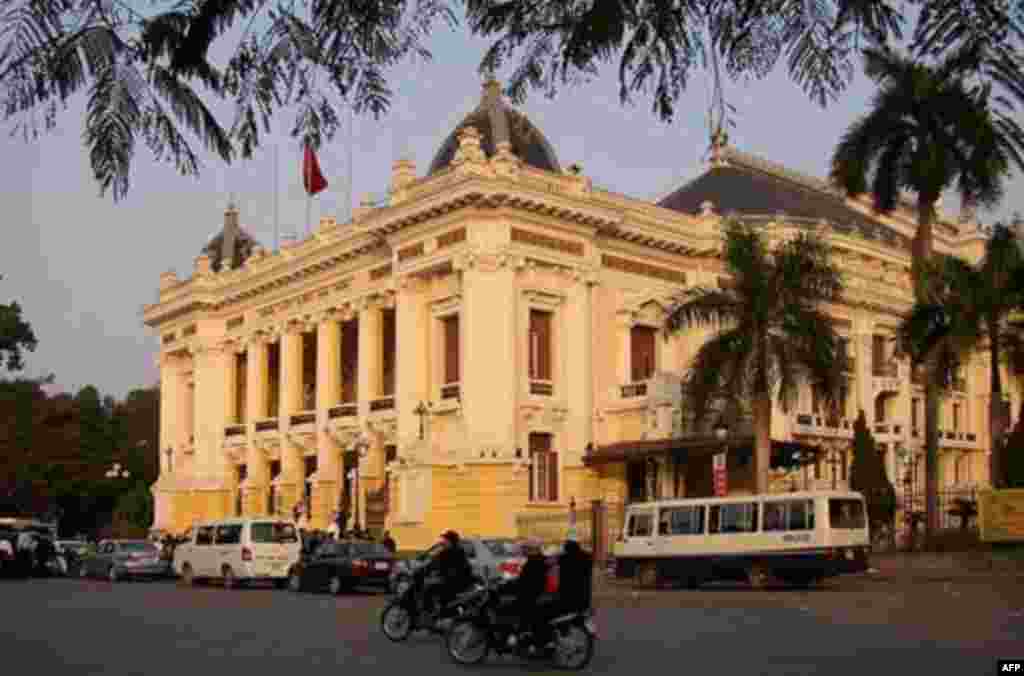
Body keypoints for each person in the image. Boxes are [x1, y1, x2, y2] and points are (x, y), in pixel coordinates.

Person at [505, 538, 552, 647]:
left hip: (531, 596)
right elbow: (523, 580)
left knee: (511, 607)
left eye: (526, 549)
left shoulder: (533, 562)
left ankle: (519, 635)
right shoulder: (540, 560)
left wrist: (506, 586)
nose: (524, 551)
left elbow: (523, 582)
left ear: (531, 550)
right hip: (536, 594)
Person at [419, 530, 474, 617]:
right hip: (456, 580)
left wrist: (426, 569)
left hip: (456, 582)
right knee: (432, 585)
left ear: (451, 541)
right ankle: (437, 611)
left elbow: (436, 563)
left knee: (429, 588)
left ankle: (429, 614)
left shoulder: (452, 551)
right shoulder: (454, 550)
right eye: (444, 539)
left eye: (445, 539)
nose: (443, 541)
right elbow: (436, 562)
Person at [557, 540, 593, 615]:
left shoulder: (563, 558)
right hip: (583, 586)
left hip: (568, 587)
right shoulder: (586, 556)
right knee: (582, 601)